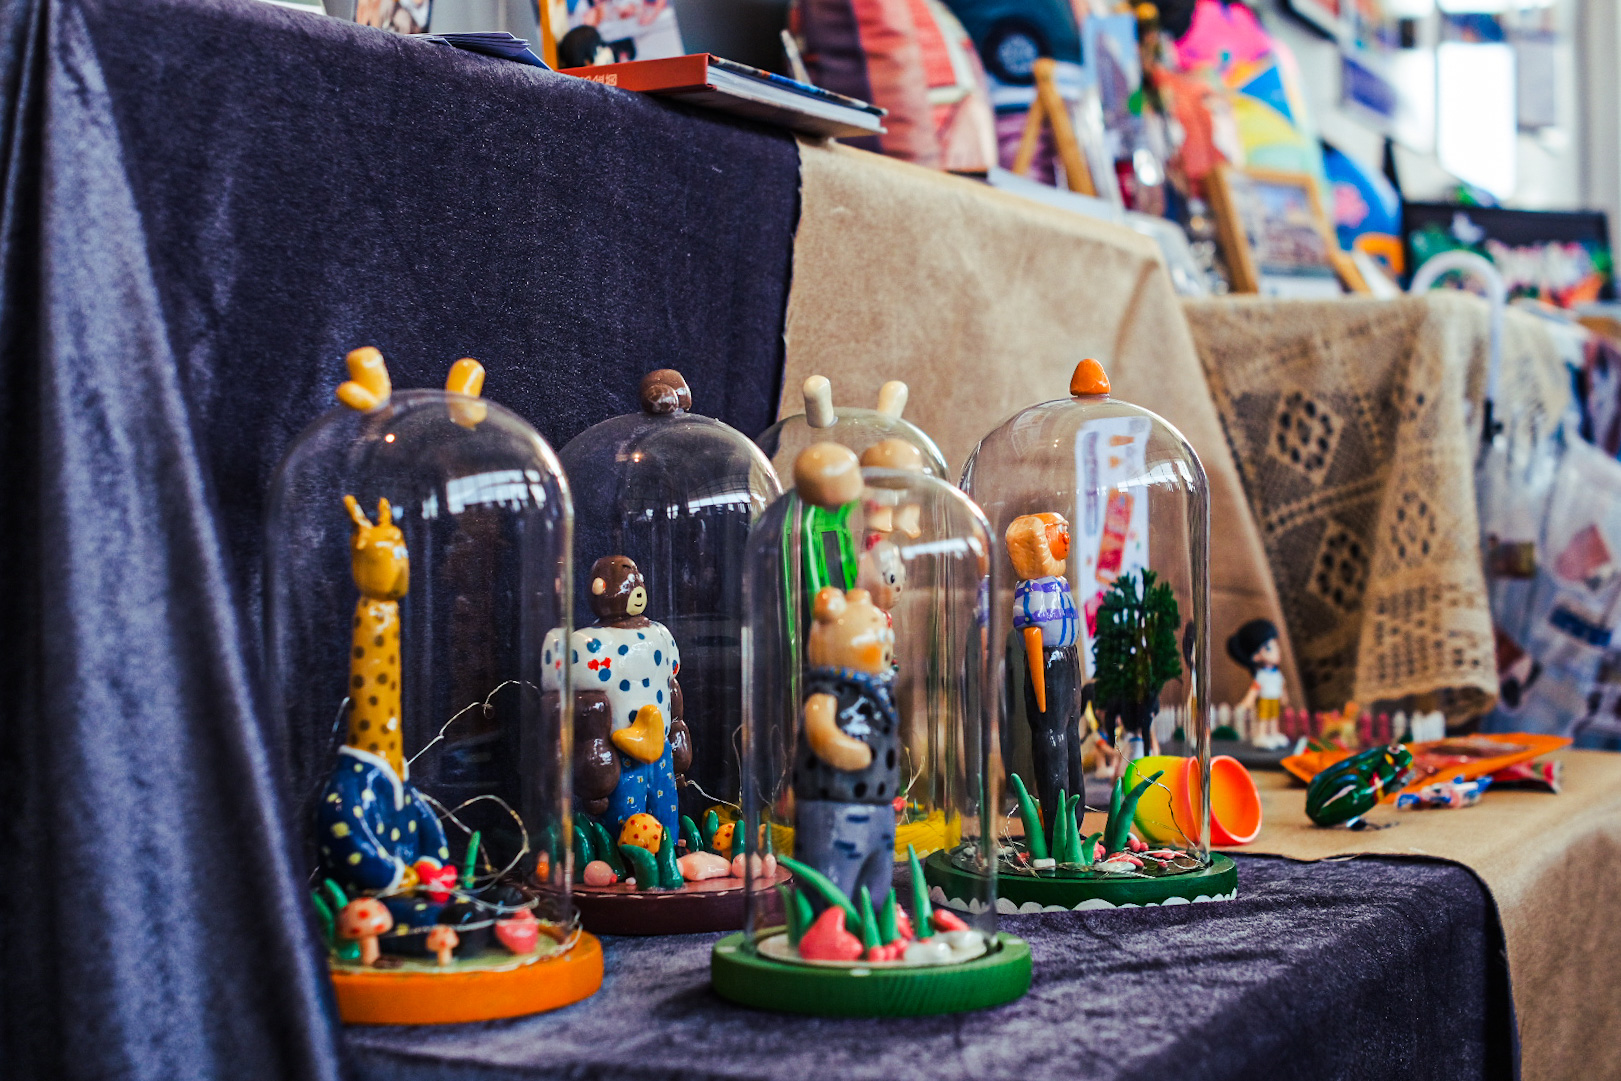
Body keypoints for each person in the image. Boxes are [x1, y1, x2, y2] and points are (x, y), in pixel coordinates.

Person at [1228, 618, 1288, 750]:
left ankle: (1273, 734)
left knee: (1273, 717)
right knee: (1263, 718)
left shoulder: (1276, 673)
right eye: (1269, 648)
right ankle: (1261, 735)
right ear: (1255, 656)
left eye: (1276, 645)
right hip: (1264, 699)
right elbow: (1255, 688)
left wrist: (1283, 696)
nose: (1276, 651)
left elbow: (1281, 686)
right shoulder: (1261, 675)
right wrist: (1247, 702)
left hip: (1274, 699)